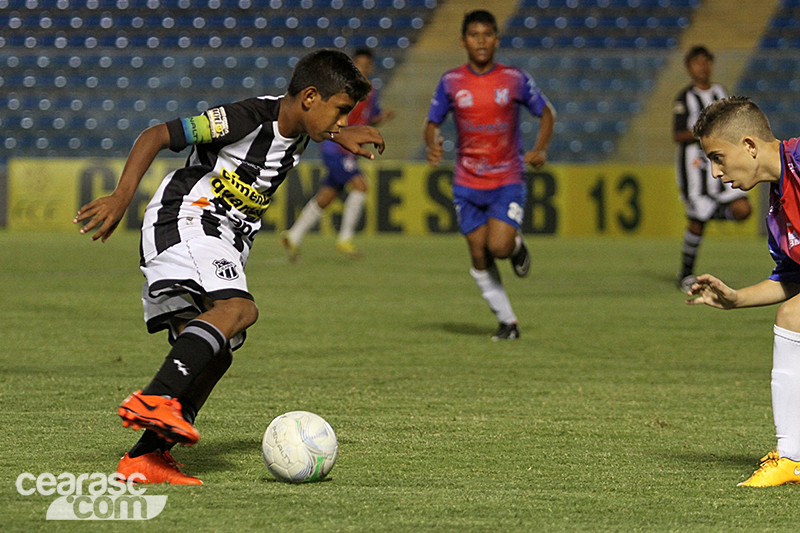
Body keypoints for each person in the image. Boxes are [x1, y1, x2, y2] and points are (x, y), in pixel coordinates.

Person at [73, 50, 384, 485]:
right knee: (240, 310)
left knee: (219, 350)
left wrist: (340, 133)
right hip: (188, 218)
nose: (341, 120)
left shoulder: (302, 125)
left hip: (224, 238)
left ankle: (146, 457)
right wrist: (122, 196)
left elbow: (311, 124)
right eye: (341, 111)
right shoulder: (243, 118)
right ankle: (156, 397)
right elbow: (156, 134)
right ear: (311, 96)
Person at [687, 96, 800, 487]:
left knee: (793, 316)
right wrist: (735, 298)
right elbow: (790, 279)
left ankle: (793, 459)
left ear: (749, 146)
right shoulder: (778, 209)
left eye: (719, 157)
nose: (716, 173)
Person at [423, 9, 555, 341]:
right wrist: (432, 145)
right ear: (463, 41)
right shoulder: (451, 81)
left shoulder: (514, 78)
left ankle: (515, 245)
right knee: (478, 254)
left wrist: (540, 148)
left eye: (487, 34)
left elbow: (546, 113)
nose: (481, 41)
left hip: (506, 178)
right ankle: (508, 323)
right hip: (466, 182)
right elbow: (432, 123)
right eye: (474, 35)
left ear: (496, 38)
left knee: (498, 247)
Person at [281, 48, 394, 261]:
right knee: (361, 186)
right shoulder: (342, 89)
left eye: (366, 64)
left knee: (327, 195)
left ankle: (293, 235)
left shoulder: (371, 92)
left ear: (370, 67)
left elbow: (368, 119)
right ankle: (345, 239)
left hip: (347, 151)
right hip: (335, 148)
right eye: (358, 64)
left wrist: (382, 118)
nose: (362, 68)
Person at [673, 45, 751, 293]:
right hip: (694, 169)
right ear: (688, 68)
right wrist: (704, 133)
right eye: (697, 62)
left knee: (743, 210)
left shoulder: (720, 92)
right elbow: (677, 134)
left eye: (706, 62)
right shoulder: (684, 98)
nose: (702, 67)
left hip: (721, 165)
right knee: (697, 222)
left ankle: (711, 212)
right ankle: (685, 274)